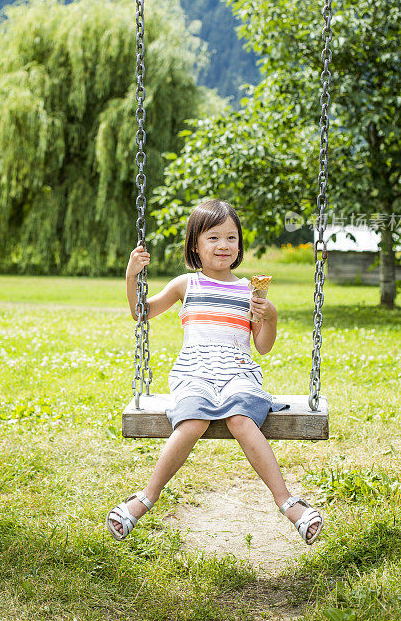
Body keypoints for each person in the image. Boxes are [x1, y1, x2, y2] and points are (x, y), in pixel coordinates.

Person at [106, 199, 323, 545]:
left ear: (239, 245)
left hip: (238, 371)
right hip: (194, 371)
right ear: (195, 244)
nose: (223, 246)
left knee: (241, 419)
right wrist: (132, 275)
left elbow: (263, 346)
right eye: (213, 238)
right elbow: (141, 313)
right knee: (193, 420)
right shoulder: (185, 285)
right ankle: (146, 498)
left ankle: (287, 502)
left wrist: (270, 316)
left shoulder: (250, 291)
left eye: (231, 238)